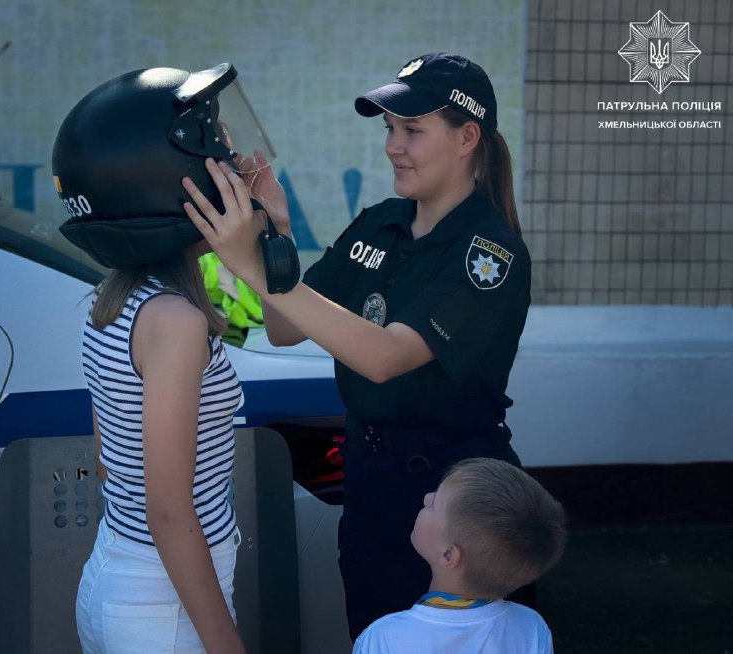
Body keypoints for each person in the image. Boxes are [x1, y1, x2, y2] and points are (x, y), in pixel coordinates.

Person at [181, 52, 532, 640]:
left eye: (413, 130)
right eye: (390, 129)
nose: (393, 145)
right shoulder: (379, 223)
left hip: (454, 498)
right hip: (372, 483)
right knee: (376, 632)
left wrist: (251, 264)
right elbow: (288, 326)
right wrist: (275, 236)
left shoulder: (488, 253)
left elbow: (384, 356)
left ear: (468, 136)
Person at [53, 63, 277, 654]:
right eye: (218, 148)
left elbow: (110, 461)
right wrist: (224, 643)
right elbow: (171, 512)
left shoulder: (114, 301)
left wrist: (268, 230)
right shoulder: (176, 322)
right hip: (163, 610)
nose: (233, 165)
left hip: (120, 581)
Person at [352, 457, 567, 654]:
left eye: (434, 506)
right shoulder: (530, 627)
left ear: (448, 555)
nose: (427, 498)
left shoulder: (384, 639)